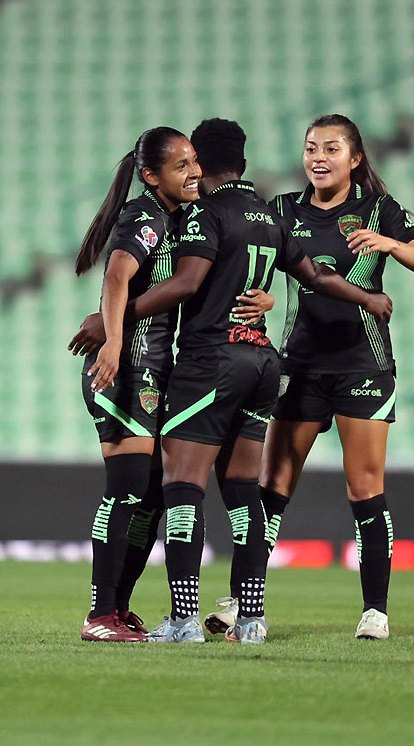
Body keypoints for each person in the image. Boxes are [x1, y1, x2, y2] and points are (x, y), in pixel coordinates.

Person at [118, 118, 392, 645]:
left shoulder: (205, 213)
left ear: (202, 160)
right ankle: (251, 619)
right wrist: (368, 298)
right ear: (242, 160)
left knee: (182, 487)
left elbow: (189, 281)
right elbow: (315, 275)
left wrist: (117, 316)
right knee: (243, 495)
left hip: (211, 362)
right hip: (264, 365)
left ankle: (183, 619)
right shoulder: (270, 216)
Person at [203, 114, 414, 641]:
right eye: (311, 148)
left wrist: (390, 245)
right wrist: (262, 297)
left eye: (331, 148)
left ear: (354, 159)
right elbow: (257, 263)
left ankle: (375, 611)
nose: (318, 158)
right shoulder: (282, 209)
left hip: (363, 366)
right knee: (272, 487)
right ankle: (244, 599)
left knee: (365, 487)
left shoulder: (379, 209)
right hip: (298, 366)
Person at [69, 127, 274, 642]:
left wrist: (263, 299)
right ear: (150, 175)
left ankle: (119, 608)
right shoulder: (143, 216)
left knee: (151, 498)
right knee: (126, 492)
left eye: (194, 162)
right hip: (127, 367)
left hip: (156, 372)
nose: (193, 172)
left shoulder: (182, 217)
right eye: (181, 165)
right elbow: (117, 276)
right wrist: (113, 341)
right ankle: (100, 614)